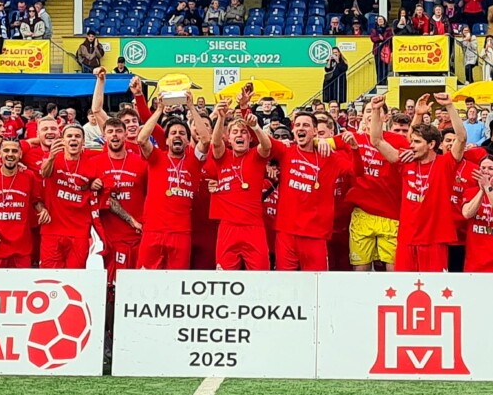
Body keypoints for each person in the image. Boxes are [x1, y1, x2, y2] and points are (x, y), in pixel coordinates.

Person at [369, 92, 466, 272]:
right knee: (405, 290)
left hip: (435, 241)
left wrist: (450, 106)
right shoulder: (405, 162)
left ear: (431, 145)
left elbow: (461, 138)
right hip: (407, 239)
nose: (411, 145)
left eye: (417, 142)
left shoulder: (445, 163)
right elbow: (376, 140)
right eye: (412, 141)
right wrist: (375, 111)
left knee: (434, 291)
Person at [269, 112, 355, 271]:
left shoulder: (329, 156)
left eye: (306, 125)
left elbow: (356, 170)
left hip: (316, 234)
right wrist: (246, 111)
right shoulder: (286, 151)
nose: (301, 128)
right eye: (298, 125)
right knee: (286, 285)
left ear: (315, 131)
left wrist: (331, 142)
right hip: (286, 232)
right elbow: (260, 142)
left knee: (317, 286)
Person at [136, 94, 210, 270]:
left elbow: (206, 140)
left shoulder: (194, 160)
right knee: (146, 278)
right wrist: (160, 110)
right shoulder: (157, 157)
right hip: (153, 230)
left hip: (181, 233)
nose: (178, 136)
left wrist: (192, 108)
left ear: (187, 140)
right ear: (167, 140)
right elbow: (141, 139)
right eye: (173, 133)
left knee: (177, 280)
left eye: (182, 133)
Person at [208, 101, 273, 270]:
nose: (240, 135)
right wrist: (221, 117)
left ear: (249, 138)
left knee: (260, 273)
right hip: (228, 227)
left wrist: (256, 127)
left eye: (244, 132)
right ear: (228, 138)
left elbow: (267, 146)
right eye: (235, 132)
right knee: (225, 275)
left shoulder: (255, 156)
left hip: (254, 226)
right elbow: (215, 144)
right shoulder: (223, 156)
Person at [39, 124, 109, 268]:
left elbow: (103, 184)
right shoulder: (53, 158)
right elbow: (44, 173)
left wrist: (97, 183)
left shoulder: (92, 163)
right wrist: (51, 157)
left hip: (79, 231)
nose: (73, 139)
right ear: (63, 140)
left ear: (83, 141)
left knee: (75, 276)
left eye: (77, 136)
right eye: (69, 136)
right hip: (52, 229)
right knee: (50, 276)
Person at [92, 114, 148, 280]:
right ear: (104, 136)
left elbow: (151, 195)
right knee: (112, 286)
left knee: (137, 283)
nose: (114, 135)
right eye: (110, 132)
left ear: (125, 135)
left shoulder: (142, 163)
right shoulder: (94, 162)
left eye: (118, 131)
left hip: (138, 234)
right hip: (110, 237)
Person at [0, 139, 49, 269]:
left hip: (21, 248)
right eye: (6, 150)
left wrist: (42, 210)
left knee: (22, 287)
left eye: (14, 151)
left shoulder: (29, 176)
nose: (10, 154)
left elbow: (36, 201)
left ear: (20, 154)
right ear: (0, 154)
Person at [370, 17, 392, 85]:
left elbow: (390, 37)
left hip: (385, 49)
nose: (380, 21)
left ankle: (384, 82)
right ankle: (379, 82)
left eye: (381, 20)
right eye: (379, 20)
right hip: (377, 50)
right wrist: (380, 38)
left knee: (385, 66)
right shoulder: (374, 29)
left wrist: (383, 38)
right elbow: (373, 38)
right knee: (378, 67)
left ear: (384, 21)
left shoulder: (388, 29)